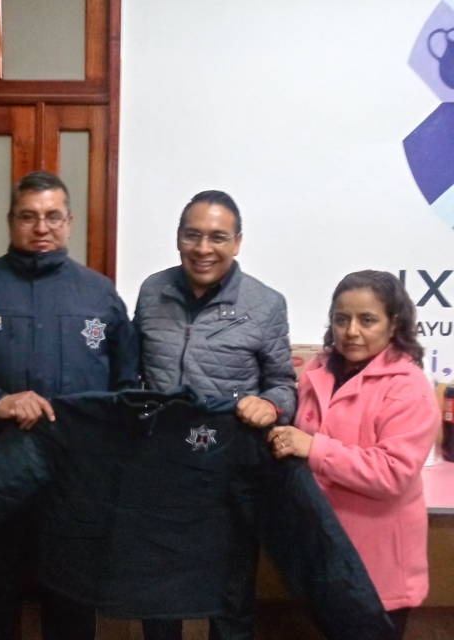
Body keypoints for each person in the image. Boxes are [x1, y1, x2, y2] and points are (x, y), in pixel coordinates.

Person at [0, 170, 138, 640]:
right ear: (11, 220)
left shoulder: (99, 293)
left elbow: (125, 384)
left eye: (53, 216)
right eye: (28, 216)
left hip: (74, 479)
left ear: (69, 222)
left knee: (72, 600)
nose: (41, 227)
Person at [134, 189, 297, 639]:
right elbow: (132, 371)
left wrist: (271, 405)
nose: (203, 248)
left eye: (218, 237)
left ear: (238, 242)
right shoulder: (151, 291)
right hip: (162, 468)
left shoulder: (266, 304)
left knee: (231, 595)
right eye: (193, 235)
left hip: (229, 471)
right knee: (157, 590)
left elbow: (283, 384)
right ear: (178, 238)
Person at [268, 270, 440, 640]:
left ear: (394, 323)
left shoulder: (408, 386)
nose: (351, 331)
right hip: (322, 552)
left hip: (377, 568)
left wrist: (314, 448)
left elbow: (392, 473)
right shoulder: (317, 370)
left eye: (367, 319)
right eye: (341, 319)